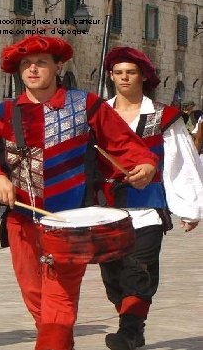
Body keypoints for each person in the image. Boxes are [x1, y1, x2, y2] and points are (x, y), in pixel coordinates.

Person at [0, 36, 158, 350]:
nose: (32, 69)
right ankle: (57, 340)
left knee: (59, 296)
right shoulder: (1, 114)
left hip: (70, 226)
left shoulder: (87, 104)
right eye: (26, 64)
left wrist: (144, 165)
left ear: (58, 66)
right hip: (21, 223)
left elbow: (126, 146)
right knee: (36, 297)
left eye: (41, 63)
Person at [97, 46, 203, 350]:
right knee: (113, 277)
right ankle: (132, 325)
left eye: (130, 72)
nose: (124, 78)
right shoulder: (99, 115)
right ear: (111, 77)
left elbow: (180, 161)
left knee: (139, 271)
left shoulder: (163, 116)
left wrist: (189, 208)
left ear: (143, 76)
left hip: (147, 208)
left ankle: (130, 331)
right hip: (106, 209)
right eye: (118, 73)